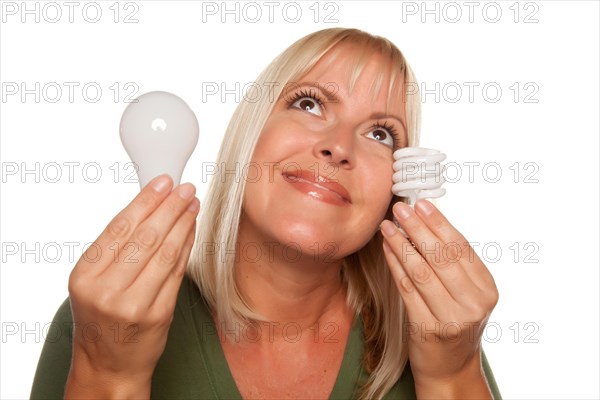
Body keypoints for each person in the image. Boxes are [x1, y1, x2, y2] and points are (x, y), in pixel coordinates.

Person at [31, 28, 501, 399]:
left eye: (381, 134)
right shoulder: (101, 320)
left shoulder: (436, 336)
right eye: (310, 103)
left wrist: (453, 377)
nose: (338, 147)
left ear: (396, 189)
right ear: (249, 134)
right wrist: (109, 374)